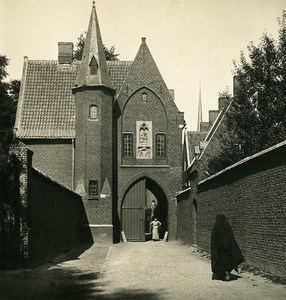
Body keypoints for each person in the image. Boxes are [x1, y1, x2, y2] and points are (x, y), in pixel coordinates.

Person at [211, 214, 244, 281]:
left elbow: (213, 240)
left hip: (218, 251)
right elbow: (230, 238)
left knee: (219, 262)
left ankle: (220, 274)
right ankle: (226, 274)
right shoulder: (227, 227)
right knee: (226, 262)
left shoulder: (216, 228)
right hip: (226, 250)